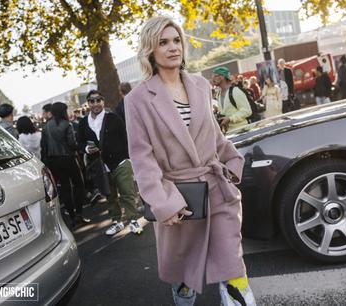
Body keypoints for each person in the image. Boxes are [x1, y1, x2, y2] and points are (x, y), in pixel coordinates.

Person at [125, 16, 256, 305]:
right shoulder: (137, 99)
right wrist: (161, 204)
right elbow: (142, 157)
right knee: (185, 282)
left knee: (234, 270)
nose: (173, 48)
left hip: (217, 189)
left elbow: (215, 136)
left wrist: (232, 165)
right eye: (163, 42)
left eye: (176, 40)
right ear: (150, 50)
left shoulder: (199, 84)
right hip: (179, 200)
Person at [77, 90, 143, 236]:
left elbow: (126, 137)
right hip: (100, 166)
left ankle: (133, 220)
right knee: (110, 195)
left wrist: (128, 157)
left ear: (103, 101)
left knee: (127, 192)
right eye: (92, 101)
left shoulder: (113, 117)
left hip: (120, 161)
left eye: (98, 100)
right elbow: (79, 142)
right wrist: (87, 148)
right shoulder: (83, 123)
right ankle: (117, 222)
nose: (95, 103)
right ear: (88, 104)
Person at [41, 102, 90, 227]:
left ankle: (72, 217)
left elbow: (44, 147)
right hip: (69, 159)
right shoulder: (66, 124)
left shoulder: (46, 127)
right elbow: (72, 144)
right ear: (63, 111)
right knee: (79, 185)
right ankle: (79, 213)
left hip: (54, 161)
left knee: (65, 188)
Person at [212, 66, 252, 132]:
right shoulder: (218, 94)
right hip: (230, 133)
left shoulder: (235, 91)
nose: (212, 79)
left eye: (215, 76)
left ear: (222, 77)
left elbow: (247, 111)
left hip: (242, 131)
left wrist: (230, 119)